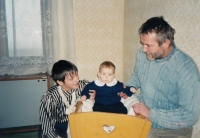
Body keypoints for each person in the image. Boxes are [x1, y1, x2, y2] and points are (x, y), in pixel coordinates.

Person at [125, 16, 200, 138]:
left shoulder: (186, 69)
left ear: (166, 42)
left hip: (173, 131)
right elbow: (138, 77)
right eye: (143, 44)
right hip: (144, 122)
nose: (144, 50)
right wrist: (126, 88)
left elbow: (190, 115)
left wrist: (151, 113)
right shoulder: (142, 55)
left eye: (148, 45)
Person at [38, 60, 95, 138]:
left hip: (78, 121)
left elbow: (101, 86)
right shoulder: (49, 98)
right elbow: (48, 130)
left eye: (76, 75)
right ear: (60, 82)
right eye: (71, 78)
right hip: (59, 127)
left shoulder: (84, 85)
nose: (77, 80)